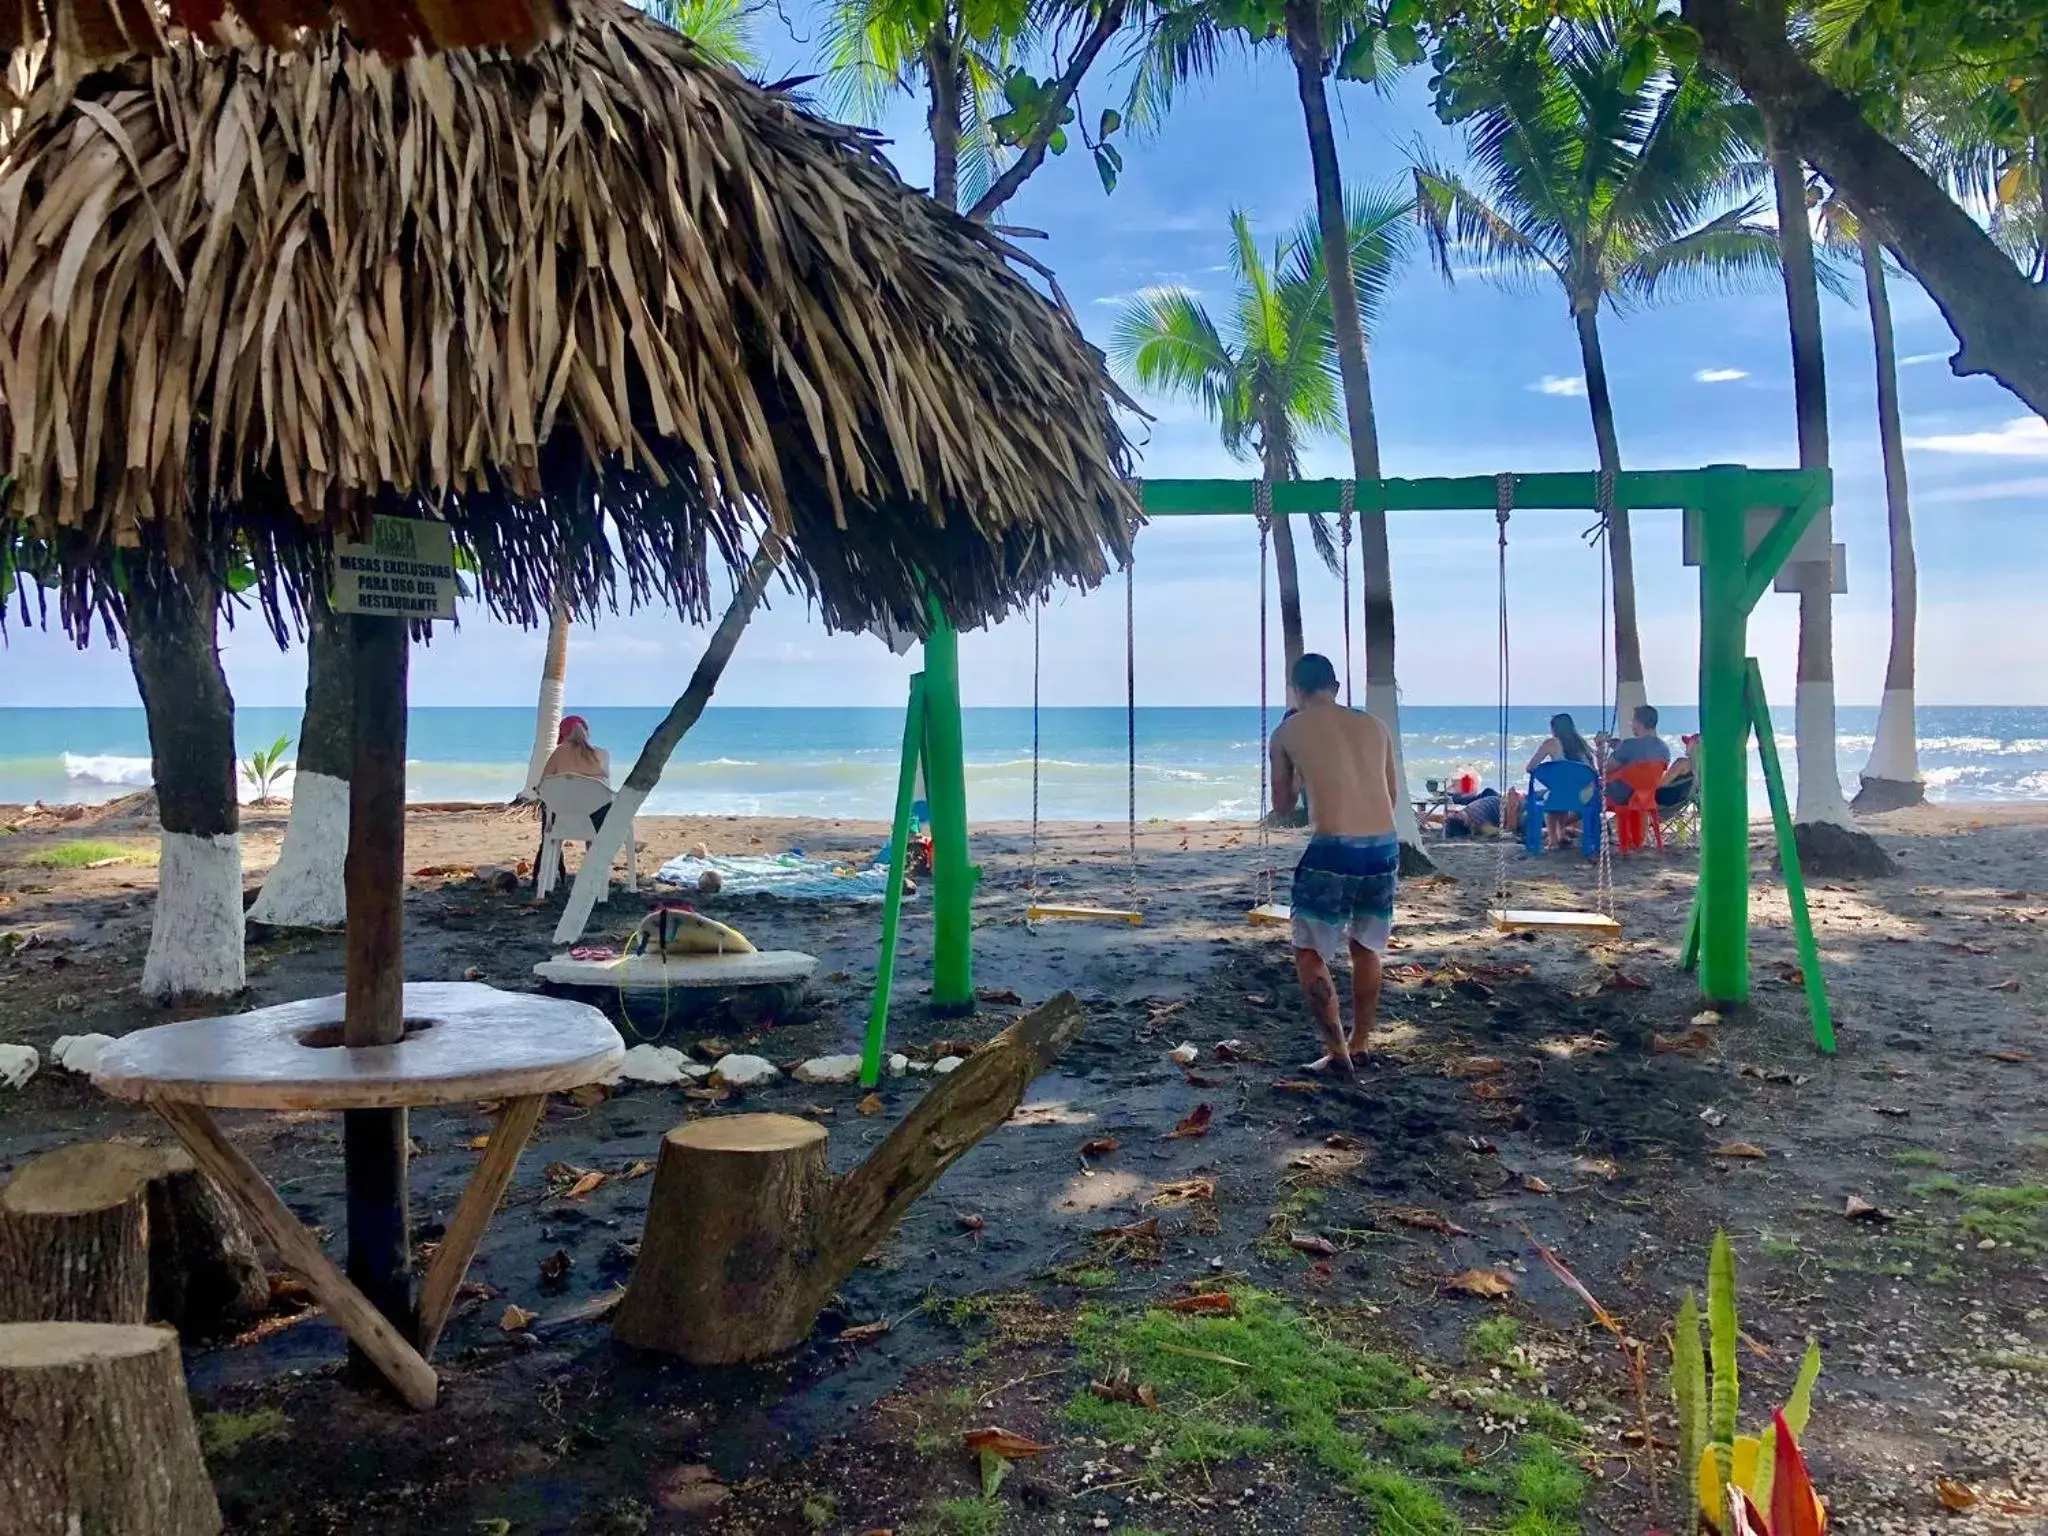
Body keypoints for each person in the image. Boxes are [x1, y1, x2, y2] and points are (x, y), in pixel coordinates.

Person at [1269, 652, 1400, 1078]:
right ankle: (1361, 1042)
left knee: (1309, 950)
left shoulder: (1287, 730)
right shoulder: (1375, 727)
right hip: (1383, 846)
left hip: (1333, 848)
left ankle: (1337, 1051)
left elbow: (1283, 806)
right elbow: (1392, 796)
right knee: (1366, 946)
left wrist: (1305, 776)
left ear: (1296, 690)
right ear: (1336, 688)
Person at [1604, 703, 1670, 807]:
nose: (1631, 724)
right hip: (1646, 798)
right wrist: (1617, 745)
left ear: (1638, 723)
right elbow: (1638, 752)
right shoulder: (1664, 748)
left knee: (1587, 794)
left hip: (1620, 797)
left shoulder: (1628, 745)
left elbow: (1604, 769)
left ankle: (1576, 822)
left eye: (1633, 721)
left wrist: (1599, 747)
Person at [542, 714, 611, 785]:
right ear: (587, 733)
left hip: (564, 795)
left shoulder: (559, 751)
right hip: (595, 795)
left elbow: (543, 783)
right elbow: (606, 786)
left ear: (565, 735)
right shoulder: (603, 753)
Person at [1526, 712, 1595, 773]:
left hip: (1561, 786)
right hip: (1588, 786)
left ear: (1554, 728)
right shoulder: (1582, 744)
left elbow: (1530, 768)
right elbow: (1593, 771)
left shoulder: (1550, 743)